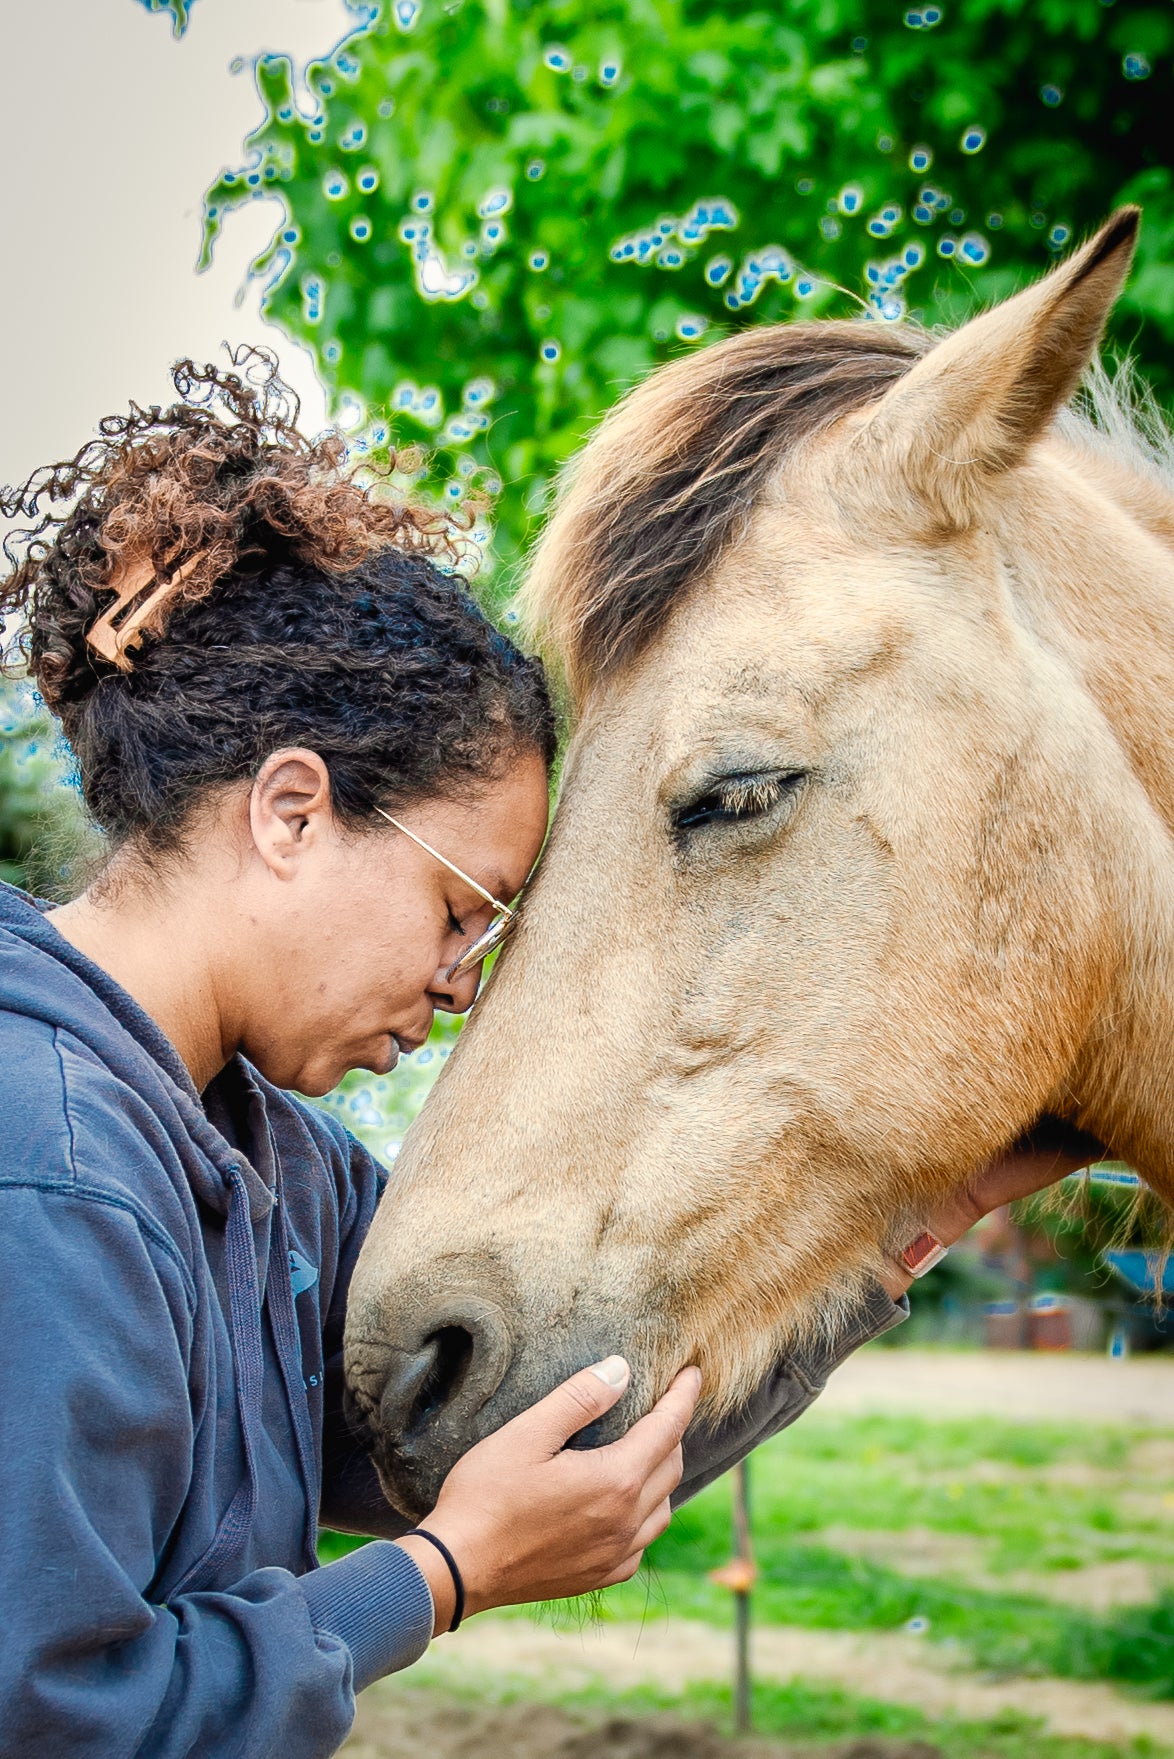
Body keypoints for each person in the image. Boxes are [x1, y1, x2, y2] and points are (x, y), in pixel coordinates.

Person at [0, 356, 1096, 1759]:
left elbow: (505, 1438)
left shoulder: (265, 1155)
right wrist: (441, 1581)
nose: (465, 986)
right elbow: (54, 1719)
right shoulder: (56, 1172)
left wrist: (913, 1218)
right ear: (289, 814)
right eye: (462, 910)